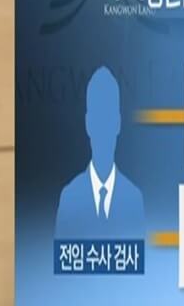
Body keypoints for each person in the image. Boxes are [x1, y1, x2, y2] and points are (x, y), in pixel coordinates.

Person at [54, 66, 145, 239]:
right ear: (88, 124)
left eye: (108, 118)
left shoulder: (134, 201)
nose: (103, 130)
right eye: (98, 118)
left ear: (118, 123)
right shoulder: (69, 199)